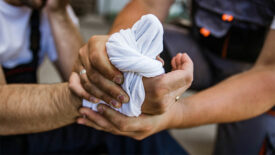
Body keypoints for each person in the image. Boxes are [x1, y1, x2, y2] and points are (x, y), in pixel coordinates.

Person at [69, 0, 275, 154]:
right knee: (136, 59)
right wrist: (118, 52)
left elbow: (270, 71)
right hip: (200, 48)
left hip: (257, 70)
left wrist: (176, 114)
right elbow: (149, 4)